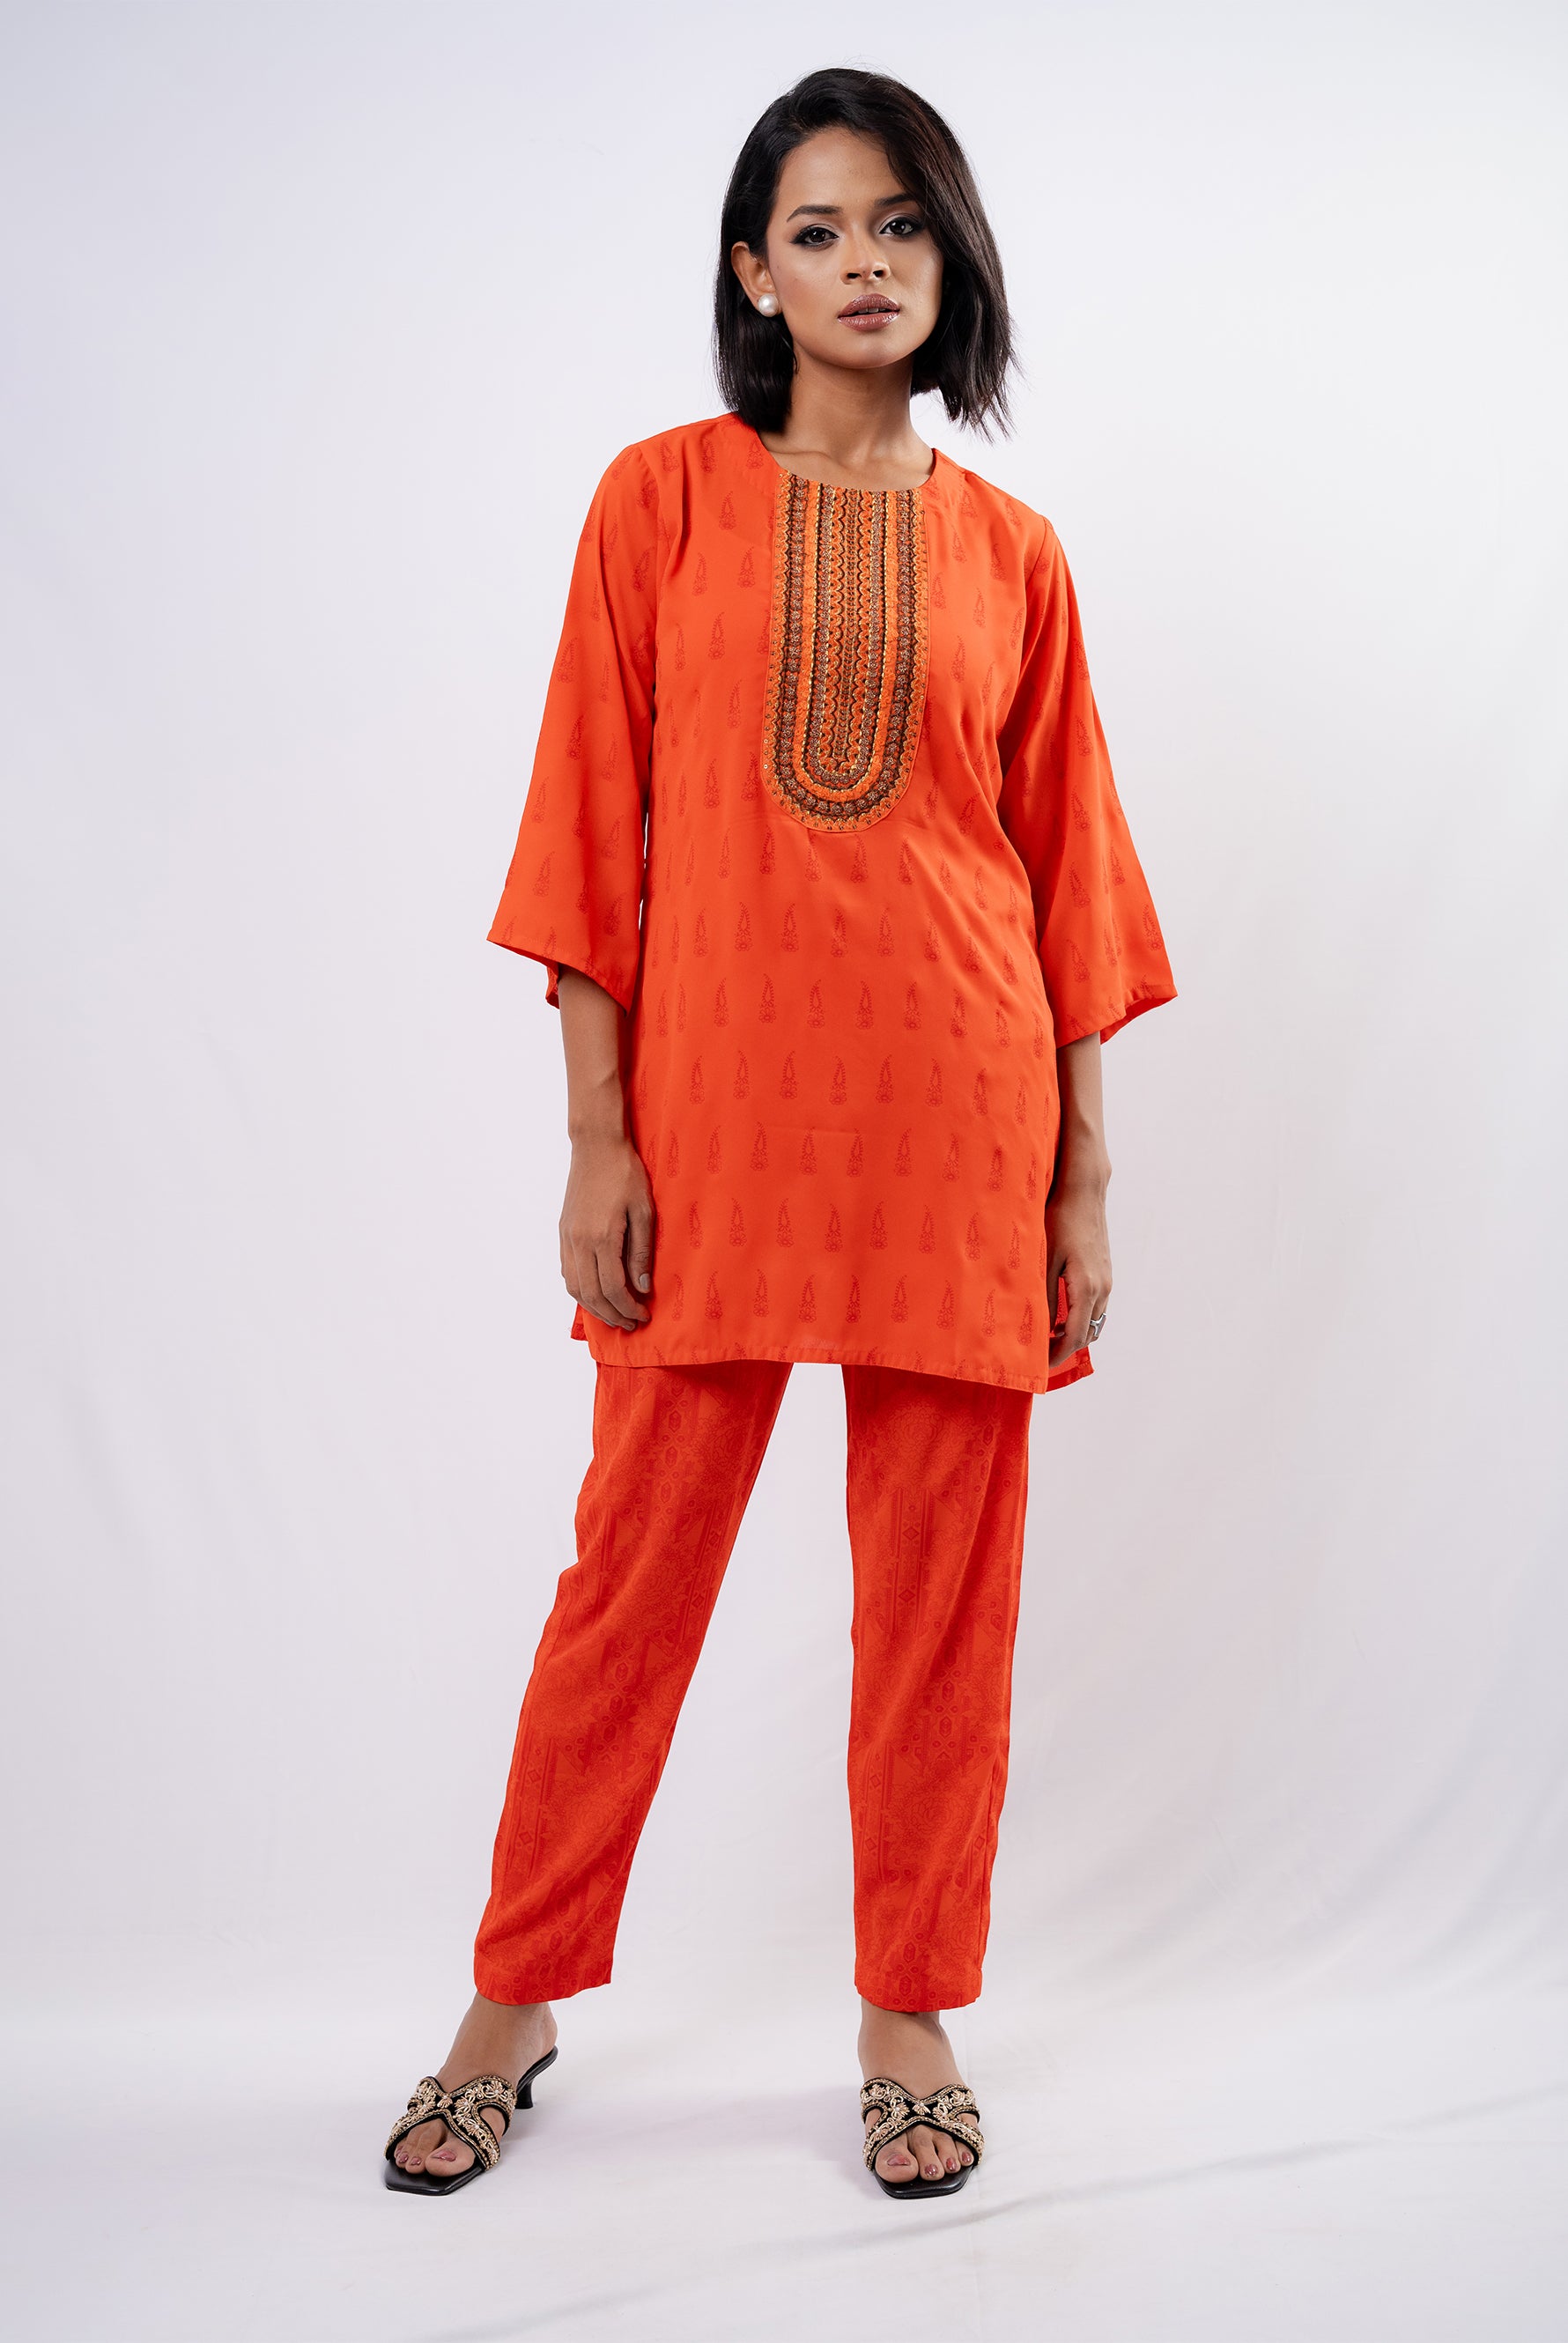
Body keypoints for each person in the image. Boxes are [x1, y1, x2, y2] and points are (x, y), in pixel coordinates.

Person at [384, 64, 1175, 2202]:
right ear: (750, 271)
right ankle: (514, 1989)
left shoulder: (1011, 553)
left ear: (951, 258)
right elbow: (588, 822)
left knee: (940, 1602)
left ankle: (907, 2006)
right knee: (628, 1581)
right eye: (815, 230)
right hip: (715, 1125)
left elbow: (1065, 878)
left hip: (956, 1124)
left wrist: (1080, 1173)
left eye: (899, 224)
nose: (861, 264)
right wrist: (595, 1138)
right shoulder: (656, 505)